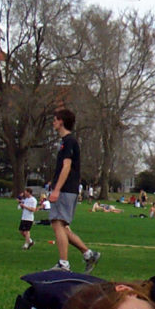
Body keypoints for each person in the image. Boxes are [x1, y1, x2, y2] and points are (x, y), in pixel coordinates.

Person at [47, 108, 100, 273]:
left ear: (61, 121)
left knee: (57, 223)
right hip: (66, 189)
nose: (53, 122)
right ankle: (89, 254)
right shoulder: (65, 142)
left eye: (55, 119)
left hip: (66, 190)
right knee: (61, 226)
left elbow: (67, 166)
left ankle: (64, 264)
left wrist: (56, 189)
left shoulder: (69, 141)